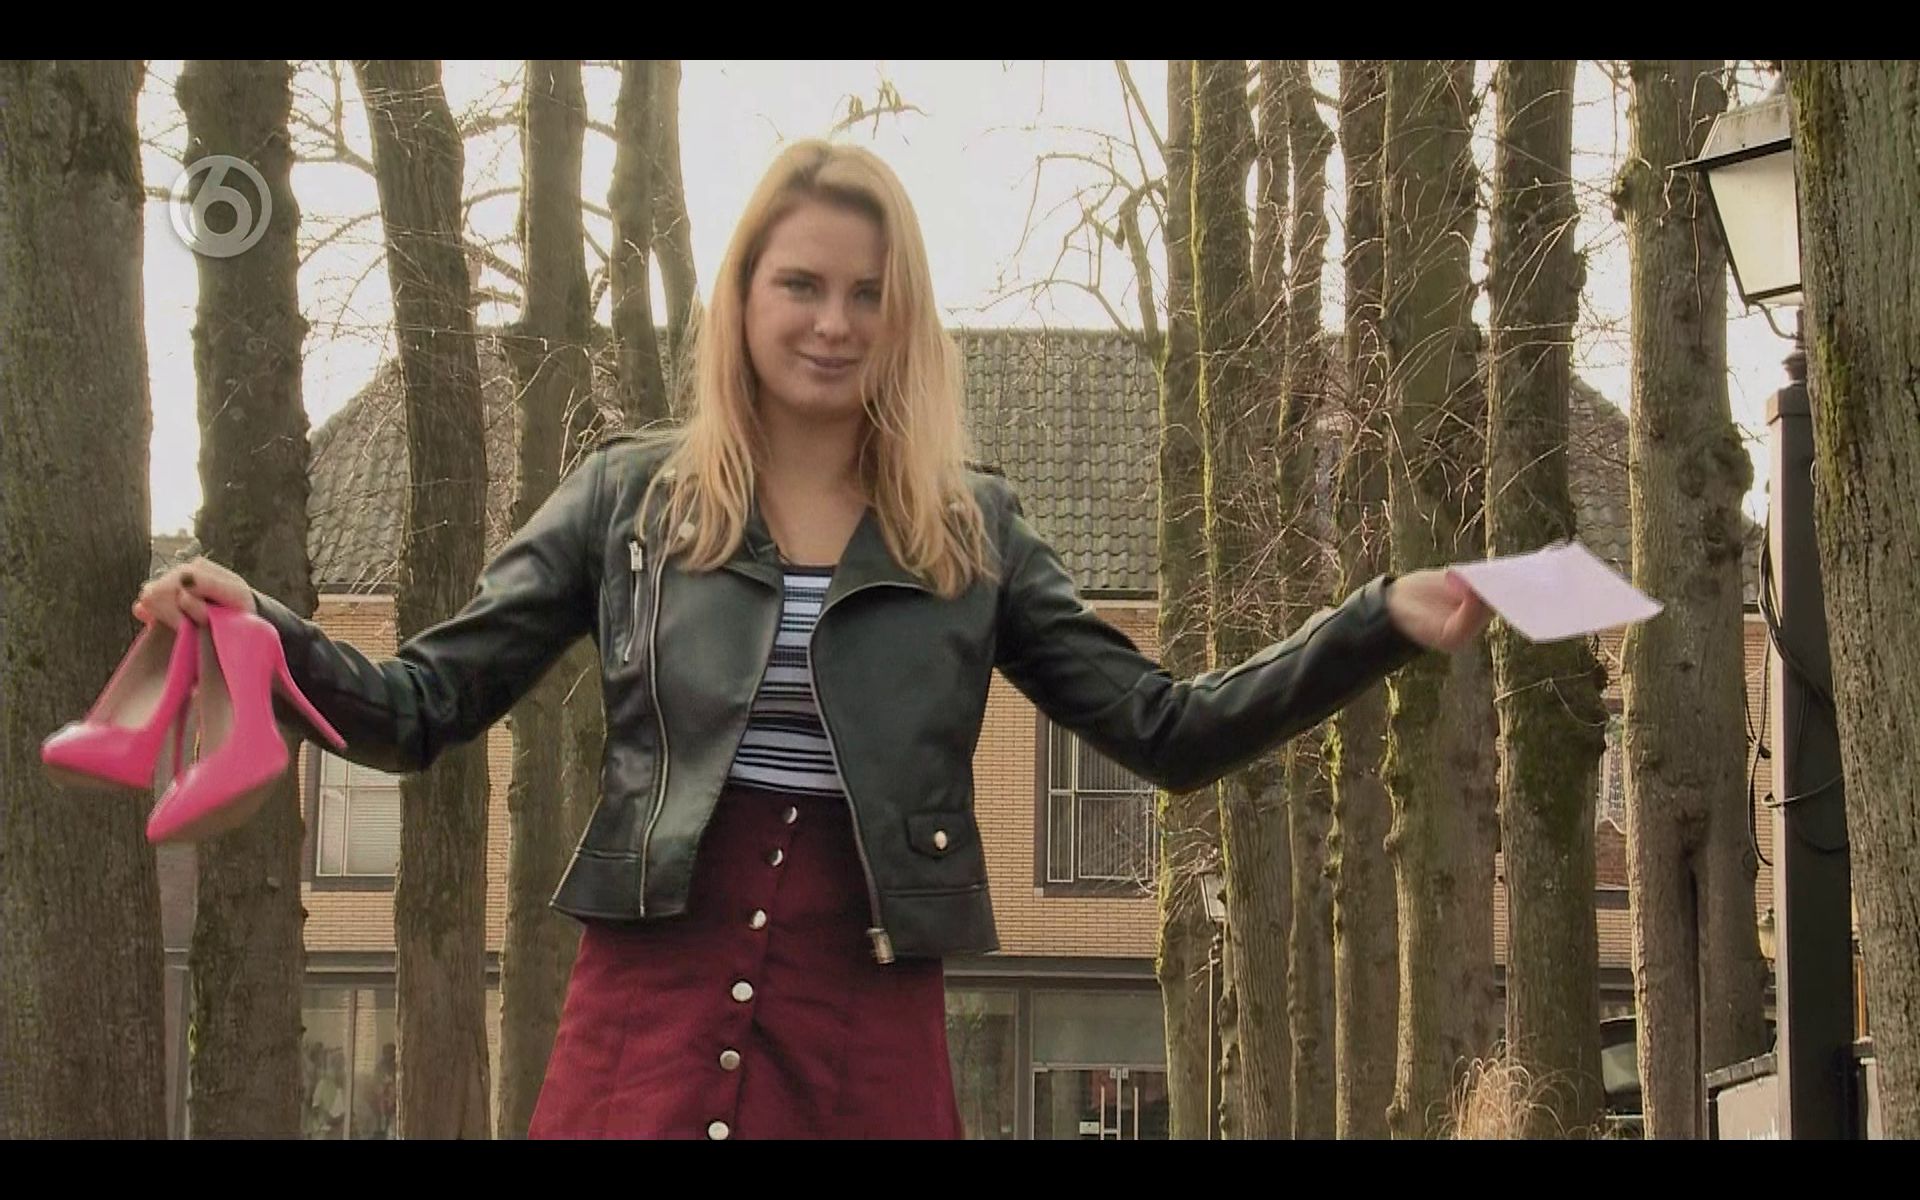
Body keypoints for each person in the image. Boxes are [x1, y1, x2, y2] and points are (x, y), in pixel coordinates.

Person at [135, 140, 1491, 1140]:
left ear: (904, 317)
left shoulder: (973, 532)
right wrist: (267, 624)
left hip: (863, 1002)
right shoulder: (626, 500)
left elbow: (1166, 730)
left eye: (867, 293)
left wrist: (1373, 621)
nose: (834, 322)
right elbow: (421, 703)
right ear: (743, 295)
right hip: (647, 1002)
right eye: (801, 284)